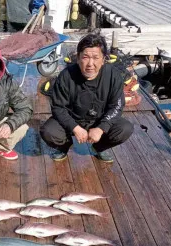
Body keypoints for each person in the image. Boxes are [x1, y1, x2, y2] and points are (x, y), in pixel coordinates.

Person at [40, 33, 134, 162]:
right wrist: (75, 128)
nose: (90, 63)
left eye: (96, 57)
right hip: (73, 120)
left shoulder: (113, 75)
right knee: (48, 131)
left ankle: (99, 148)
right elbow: (58, 107)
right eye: (85, 57)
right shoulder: (66, 76)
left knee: (125, 128)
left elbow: (116, 106)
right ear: (78, 58)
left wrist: (102, 128)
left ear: (103, 60)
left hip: (99, 119)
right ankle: (64, 147)